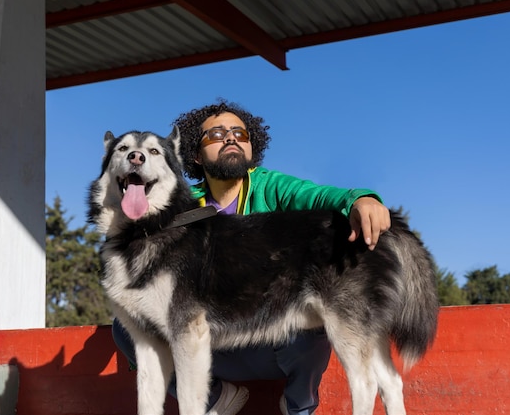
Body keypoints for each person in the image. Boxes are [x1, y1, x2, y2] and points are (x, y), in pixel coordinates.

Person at [112, 99, 391, 415]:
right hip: (219, 349)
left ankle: (298, 405)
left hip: (277, 345)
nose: (231, 138)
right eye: (216, 134)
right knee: (126, 324)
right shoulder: (184, 207)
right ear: (194, 155)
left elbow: (318, 196)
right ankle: (217, 400)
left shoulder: (271, 186)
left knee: (314, 306)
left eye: (239, 133)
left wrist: (362, 199)